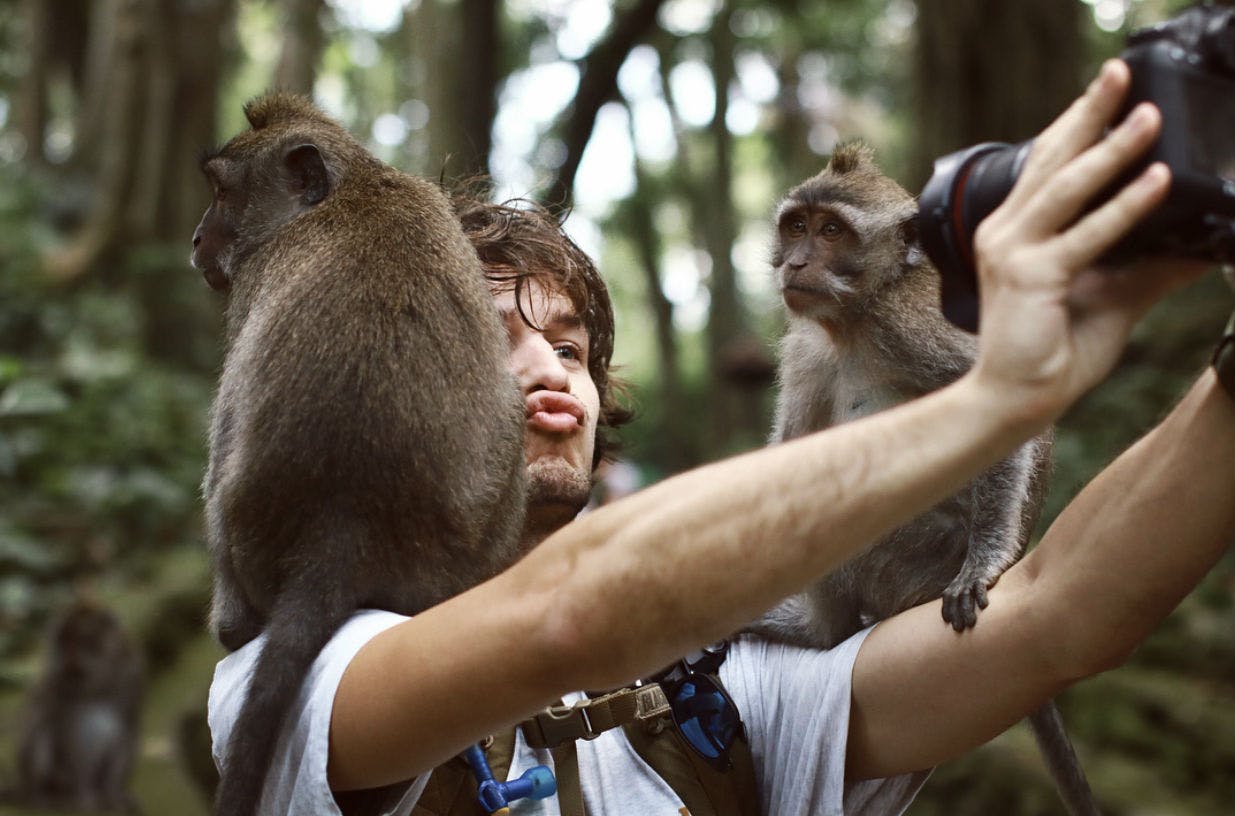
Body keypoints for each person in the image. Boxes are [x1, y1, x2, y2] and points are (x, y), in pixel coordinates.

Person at [209, 59, 1234, 815]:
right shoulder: (299, 665)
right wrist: (993, 396)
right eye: (490, 346)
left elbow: (1060, 616)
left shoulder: (714, 693)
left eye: (569, 349)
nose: (542, 371)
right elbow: (570, 611)